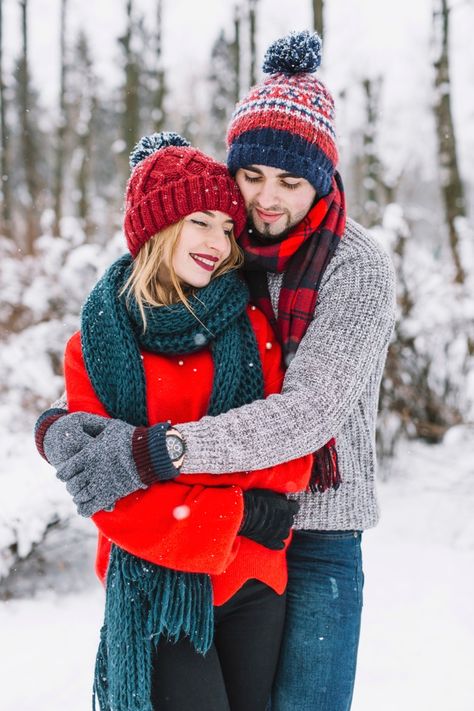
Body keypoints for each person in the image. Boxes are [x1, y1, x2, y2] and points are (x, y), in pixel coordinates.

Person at [35, 31, 396, 711]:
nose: (264, 200)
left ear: (321, 179)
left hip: (314, 540)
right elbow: (123, 396)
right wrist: (60, 427)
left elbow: (306, 414)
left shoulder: (353, 267)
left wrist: (157, 453)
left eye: (290, 182)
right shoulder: (229, 266)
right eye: (251, 177)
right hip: (200, 552)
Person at [36, 132, 312, 711]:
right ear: (158, 227)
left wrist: (165, 476)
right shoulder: (95, 349)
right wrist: (231, 513)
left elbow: (284, 448)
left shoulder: (252, 329)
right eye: (201, 222)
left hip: (251, 576)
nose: (217, 242)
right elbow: (107, 492)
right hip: (154, 585)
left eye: (228, 229)